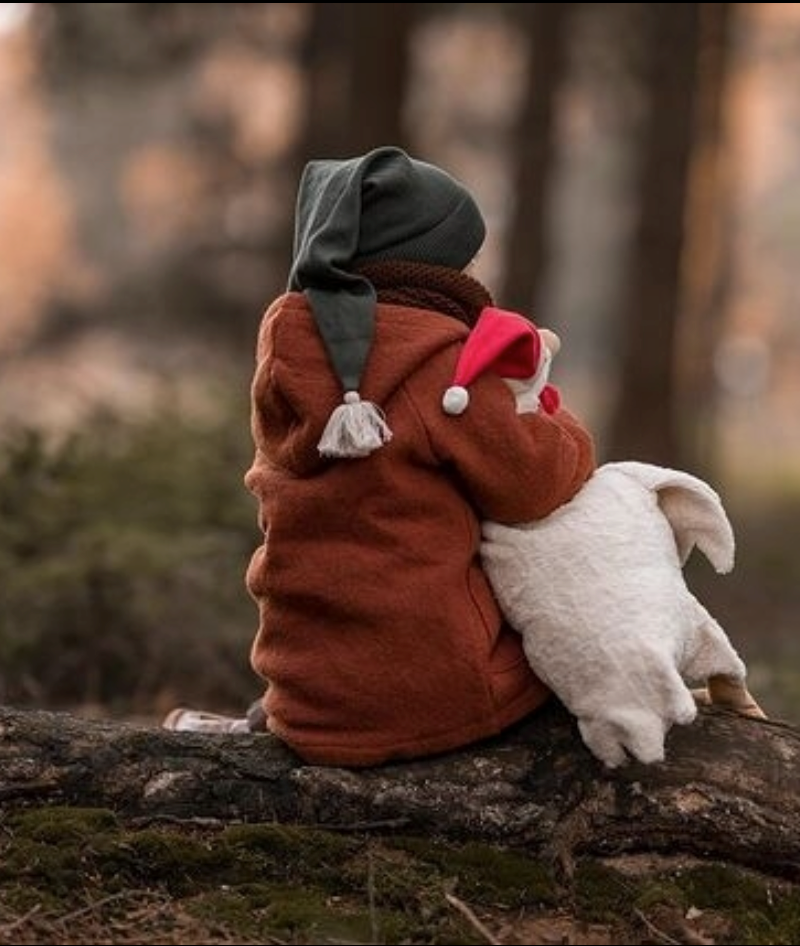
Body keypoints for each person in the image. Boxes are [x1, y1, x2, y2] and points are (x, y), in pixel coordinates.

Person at [163, 145, 597, 767]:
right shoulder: (441, 367)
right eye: (465, 255)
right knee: (562, 644)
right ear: (433, 264)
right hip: (434, 695)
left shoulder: (288, 355)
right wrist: (557, 421)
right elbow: (536, 483)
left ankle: (261, 724)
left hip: (305, 697)